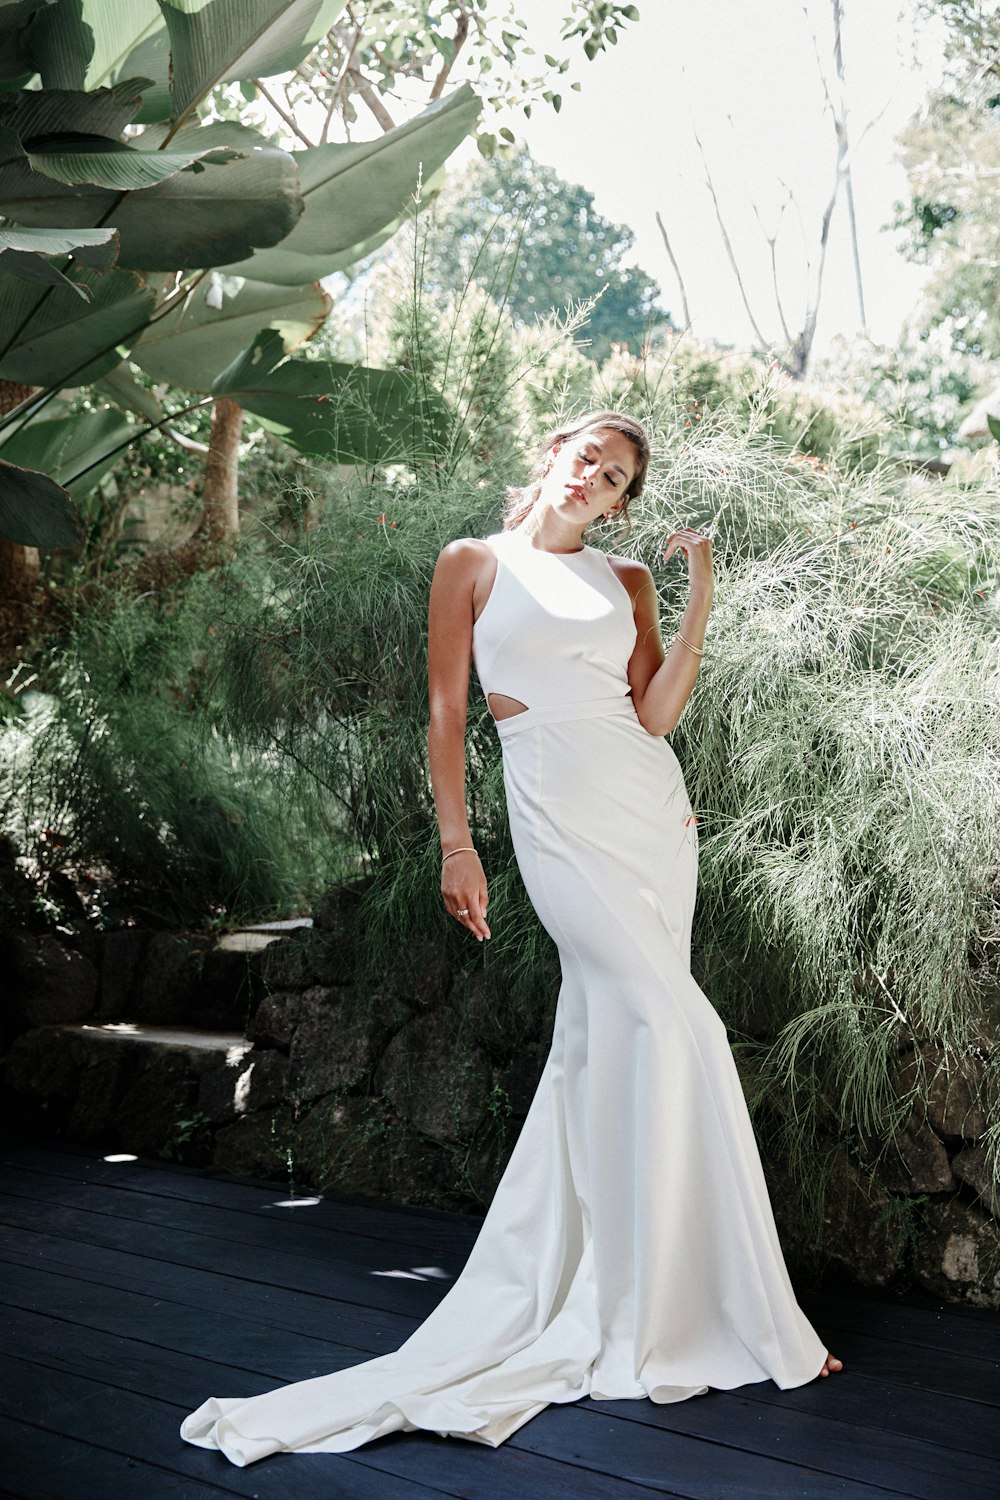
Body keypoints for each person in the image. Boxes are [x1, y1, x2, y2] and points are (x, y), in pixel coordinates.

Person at [180, 409, 842, 1468]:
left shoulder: (627, 580)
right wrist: (458, 845)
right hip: (554, 810)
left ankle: (674, 1301)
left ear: (625, 500)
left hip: (647, 812)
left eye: (617, 476)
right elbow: (446, 714)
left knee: (622, 1036)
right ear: (552, 457)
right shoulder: (472, 564)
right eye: (587, 458)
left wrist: (699, 590)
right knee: (675, 1027)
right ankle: (723, 1304)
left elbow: (658, 713)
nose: (596, 479)